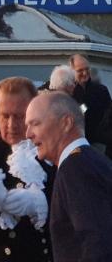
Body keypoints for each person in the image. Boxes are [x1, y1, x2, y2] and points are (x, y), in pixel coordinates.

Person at [0, 77, 54, 262]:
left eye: (19, 116)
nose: (11, 125)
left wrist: (42, 203)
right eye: (4, 116)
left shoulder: (53, 152)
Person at [25, 91, 112, 262]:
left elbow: (97, 244)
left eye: (35, 124)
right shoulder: (91, 161)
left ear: (66, 123)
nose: (28, 134)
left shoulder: (76, 168)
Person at [69, 54, 111, 151]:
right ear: (72, 71)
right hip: (78, 144)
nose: (85, 73)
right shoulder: (69, 92)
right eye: (80, 70)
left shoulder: (101, 90)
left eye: (87, 69)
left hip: (102, 142)